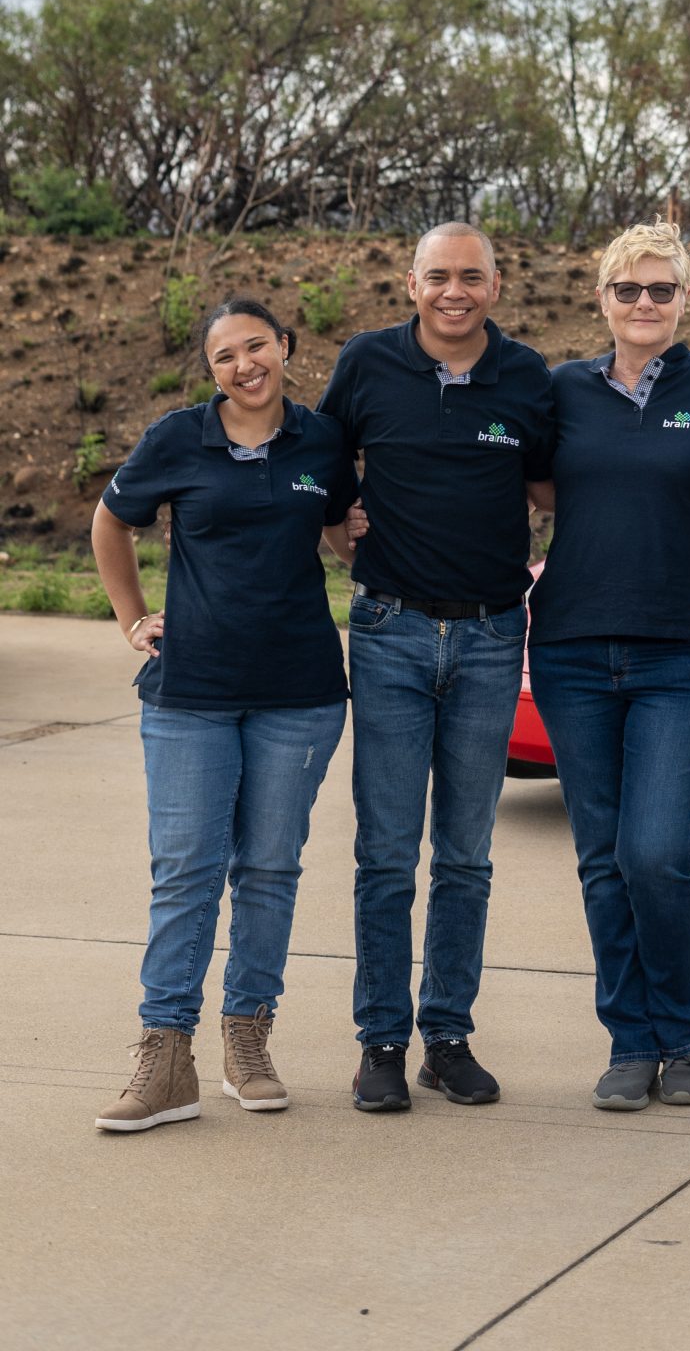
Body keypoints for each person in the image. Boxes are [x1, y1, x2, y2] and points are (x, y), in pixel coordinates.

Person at [88, 296, 356, 1132]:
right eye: (224, 357)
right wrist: (131, 617)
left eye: (256, 347)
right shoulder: (177, 437)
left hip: (300, 692)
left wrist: (367, 534)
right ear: (210, 373)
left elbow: (344, 533)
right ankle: (165, 1057)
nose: (245, 365)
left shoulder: (323, 440)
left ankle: (248, 1038)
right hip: (191, 693)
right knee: (188, 873)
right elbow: (112, 520)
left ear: (285, 346)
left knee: (270, 868)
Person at [525, 222, 690, 1111]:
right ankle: (631, 1040)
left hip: (684, 652)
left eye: (661, 290)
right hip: (572, 650)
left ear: (684, 299)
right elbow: (537, 485)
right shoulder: (561, 393)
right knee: (601, 857)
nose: (644, 305)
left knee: (656, 852)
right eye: (628, 291)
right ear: (602, 300)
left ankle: (684, 1033)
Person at [320, 222, 555, 1114]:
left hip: (494, 634)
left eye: (472, 277)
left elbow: (549, 484)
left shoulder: (527, 376)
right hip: (389, 632)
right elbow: (317, 462)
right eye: (437, 277)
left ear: (496, 285)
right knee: (384, 852)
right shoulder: (367, 364)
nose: (454, 292)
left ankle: (446, 1038)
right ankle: (380, 1040)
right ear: (409, 282)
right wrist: (331, 526)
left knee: (465, 854)